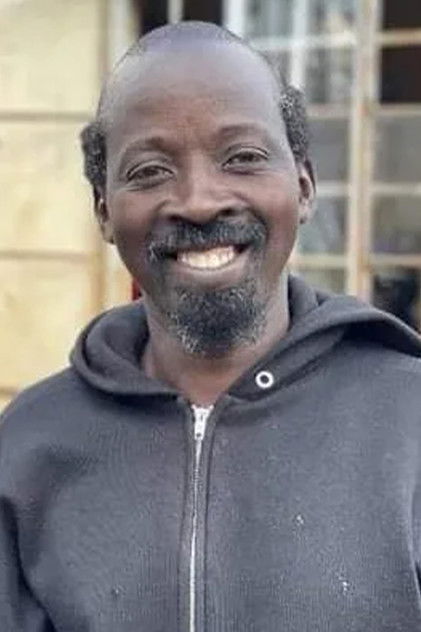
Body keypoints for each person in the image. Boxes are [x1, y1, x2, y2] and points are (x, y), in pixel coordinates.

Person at [1, 21, 421, 632]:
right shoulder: (27, 450)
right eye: (150, 170)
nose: (199, 201)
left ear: (304, 186)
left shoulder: (409, 421)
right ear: (104, 211)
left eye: (242, 158)